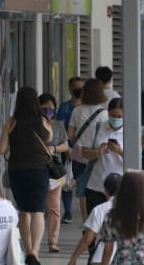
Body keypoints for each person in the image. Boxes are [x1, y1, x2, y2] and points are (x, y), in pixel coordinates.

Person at [0, 86, 52, 265]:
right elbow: (49, 139)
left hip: (18, 171)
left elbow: (0, 150)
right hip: (39, 171)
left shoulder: (11, 123)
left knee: (24, 211)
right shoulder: (43, 120)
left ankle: (27, 250)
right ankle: (35, 251)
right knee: (38, 211)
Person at [67, 78, 109, 222]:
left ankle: (86, 222)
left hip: (79, 154)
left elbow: (70, 134)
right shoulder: (104, 114)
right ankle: (98, 220)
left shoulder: (77, 110)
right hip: (96, 154)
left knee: (82, 189)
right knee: (96, 187)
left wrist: (79, 142)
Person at [83, 98, 124, 216]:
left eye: (119, 116)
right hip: (96, 185)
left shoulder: (131, 131)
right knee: (95, 221)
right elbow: (84, 152)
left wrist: (119, 151)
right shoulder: (97, 127)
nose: (116, 119)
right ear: (108, 113)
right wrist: (98, 152)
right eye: (113, 116)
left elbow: (137, 160)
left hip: (120, 187)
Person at [40, 93, 69, 253]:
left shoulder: (58, 125)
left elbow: (66, 145)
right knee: (37, 207)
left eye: (50, 108)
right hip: (37, 168)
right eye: (44, 108)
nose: (47, 110)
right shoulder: (33, 125)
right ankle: (35, 240)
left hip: (55, 171)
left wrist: (54, 148)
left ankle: (53, 241)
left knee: (55, 207)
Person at [56, 77, 84, 225]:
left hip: (84, 151)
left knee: (83, 181)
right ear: (70, 90)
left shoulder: (87, 107)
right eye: (77, 88)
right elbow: (60, 129)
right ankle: (67, 211)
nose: (80, 91)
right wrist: (66, 148)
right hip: (67, 150)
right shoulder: (64, 108)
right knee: (65, 181)